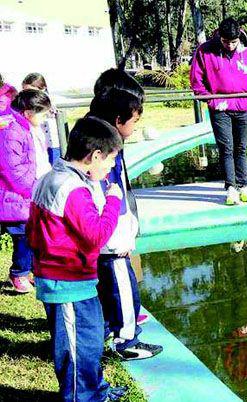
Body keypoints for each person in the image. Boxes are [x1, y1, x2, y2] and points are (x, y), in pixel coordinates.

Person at [26, 117, 127, 402]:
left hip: (75, 280)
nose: (110, 167)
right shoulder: (73, 189)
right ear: (95, 156)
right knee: (75, 349)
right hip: (66, 284)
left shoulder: (49, 177)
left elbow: (32, 231)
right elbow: (96, 236)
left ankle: (95, 390)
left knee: (90, 342)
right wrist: (113, 202)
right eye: (109, 161)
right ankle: (80, 397)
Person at [87, 86, 163, 361]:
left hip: (111, 237)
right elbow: (107, 197)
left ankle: (112, 332)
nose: (135, 126)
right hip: (112, 242)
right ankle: (126, 341)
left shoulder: (102, 142)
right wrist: (119, 238)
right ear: (119, 119)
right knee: (123, 291)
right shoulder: (105, 152)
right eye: (134, 121)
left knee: (115, 290)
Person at [190, 17, 247, 205]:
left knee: (241, 147)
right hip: (220, 108)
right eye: (225, 42)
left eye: (233, 42)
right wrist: (211, 100)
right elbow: (197, 80)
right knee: (226, 148)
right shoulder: (205, 50)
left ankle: (244, 185)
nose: (230, 46)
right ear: (219, 37)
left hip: (243, 107)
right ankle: (230, 187)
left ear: (239, 36)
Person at [0, 89, 52, 293]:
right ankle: (19, 273)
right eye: (43, 113)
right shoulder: (11, 130)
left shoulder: (26, 127)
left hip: (30, 193)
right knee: (23, 236)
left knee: (32, 235)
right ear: (28, 112)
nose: (46, 117)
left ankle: (26, 271)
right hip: (17, 196)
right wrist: (33, 189)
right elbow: (12, 168)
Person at [22, 73, 62, 164]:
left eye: (31, 91)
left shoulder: (46, 104)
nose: (28, 95)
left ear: (42, 89)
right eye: (25, 92)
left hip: (52, 143)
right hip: (39, 142)